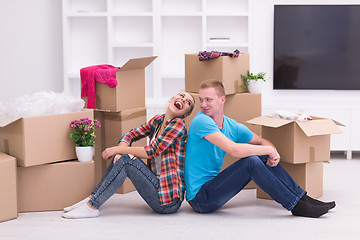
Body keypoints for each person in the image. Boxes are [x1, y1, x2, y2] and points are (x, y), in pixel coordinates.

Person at [185, 80, 335, 218]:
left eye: (208, 100)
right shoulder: (201, 121)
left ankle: (303, 198)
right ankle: (295, 205)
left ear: (222, 100)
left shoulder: (231, 126)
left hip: (213, 186)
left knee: (260, 156)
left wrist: (272, 152)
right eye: (201, 100)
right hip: (200, 199)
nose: (203, 104)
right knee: (251, 162)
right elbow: (234, 150)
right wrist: (269, 151)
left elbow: (261, 141)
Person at [63, 92, 195, 218]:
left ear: (186, 114)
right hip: (156, 187)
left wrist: (117, 150)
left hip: (168, 201)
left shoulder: (178, 125)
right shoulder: (158, 120)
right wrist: (121, 149)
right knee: (122, 156)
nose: (183, 100)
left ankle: (92, 206)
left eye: (188, 102)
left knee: (125, 159)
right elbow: (131, 134)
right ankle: (92, 198)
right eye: (181, 96)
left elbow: (152, 151)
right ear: (171, 99)